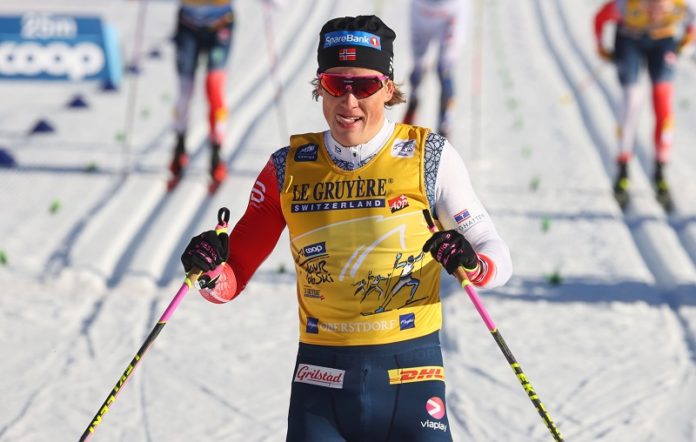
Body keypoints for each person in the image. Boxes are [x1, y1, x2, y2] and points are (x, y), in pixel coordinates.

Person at [180, 14, 512, 440]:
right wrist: (208, 269)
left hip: (411, 377)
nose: (349, 101)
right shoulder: (286, 168)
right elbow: (229, 281)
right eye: (336, 84)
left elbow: (496, 254)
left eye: (365, 86)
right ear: (320, 87)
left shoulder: (429, 157)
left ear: (388, 88)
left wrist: (474, 263)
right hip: (320, 385)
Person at [594, 0, 696, 209]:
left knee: (662, 101)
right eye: (649, 6)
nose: (654, 12)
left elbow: (692, 23)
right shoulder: (625, 6)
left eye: (660, 7)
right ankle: (623, 169)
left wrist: (686, 42)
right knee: (631, 100)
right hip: (629, 39)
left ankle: (660, 169)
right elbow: (599, 19)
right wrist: (601, 47)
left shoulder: (684, 5)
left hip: (663, 40)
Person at [169, 0, 235, 187]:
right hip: (188, 25)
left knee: (214, 87)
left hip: (221, 23)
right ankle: (179, 147)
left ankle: (217, 153)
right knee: (185, 92)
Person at [402, 0, 469, 140]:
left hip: (451, 10)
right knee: (419, 64)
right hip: (422, 10)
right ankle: (414, 97)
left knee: (445, 69)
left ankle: (446, 123)